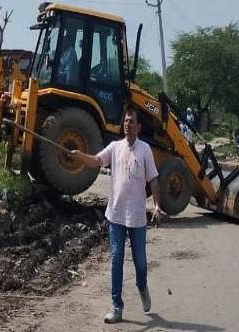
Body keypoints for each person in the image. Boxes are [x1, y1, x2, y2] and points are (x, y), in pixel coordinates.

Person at [71, 108, 161, 323]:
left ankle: (142, 286)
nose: (128, 124)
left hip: (138, 216)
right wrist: (80, 156)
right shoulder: (114, 148)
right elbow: (95, 161)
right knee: (116, 259)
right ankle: (116, 306)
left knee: (140, 263)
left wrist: (157, 205)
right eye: (126, 121)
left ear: (138, 128)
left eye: (132, 122)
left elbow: (154, 180)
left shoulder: (145, 150)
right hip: (116, 215)